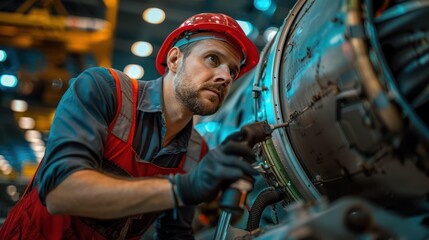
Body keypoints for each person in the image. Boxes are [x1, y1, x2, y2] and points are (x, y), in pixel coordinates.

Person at [0, 12, 260, 239]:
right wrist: (183, 188)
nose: (225, 77)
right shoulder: (104, 90)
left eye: (233, 71)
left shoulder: (195, 151)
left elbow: (173, 232)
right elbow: (60, 193)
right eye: (213, 59)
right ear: (174, 60)